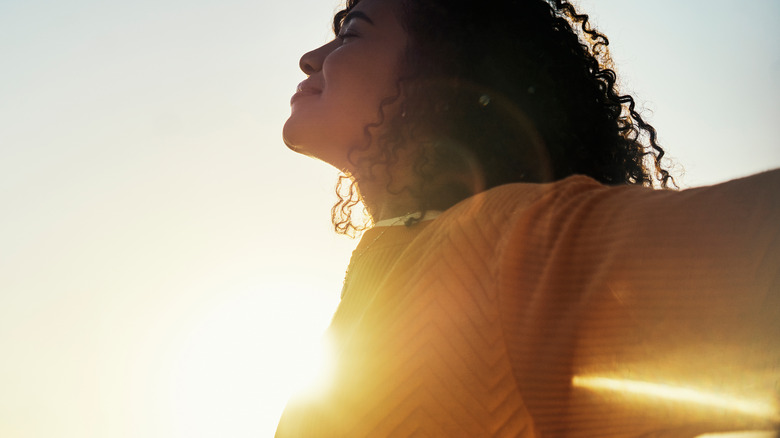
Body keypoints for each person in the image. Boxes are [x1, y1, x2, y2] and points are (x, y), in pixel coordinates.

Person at [276, 0, 780, 436]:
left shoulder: (511, 247)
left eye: (352, 33)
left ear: (445, 70)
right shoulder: (382, 278)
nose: (310, 58)